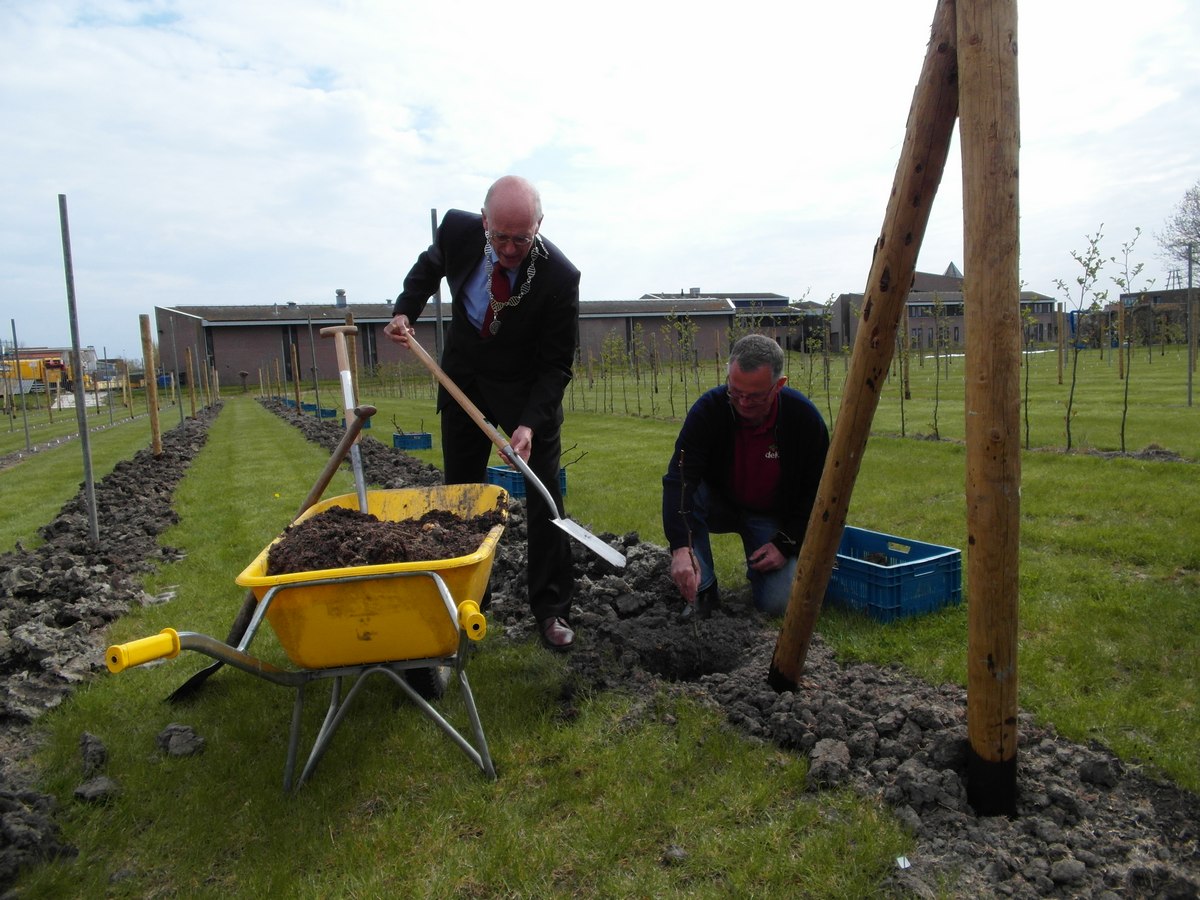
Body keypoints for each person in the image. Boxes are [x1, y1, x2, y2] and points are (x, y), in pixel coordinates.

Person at [384, 176, 581, 651]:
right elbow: (428, 269)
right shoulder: (456, 230)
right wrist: (405, 310)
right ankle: (468, 602)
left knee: (544, 497)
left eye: (522, 238)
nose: (510, 248)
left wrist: (530, 424)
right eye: (500, 237)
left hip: (525, 387)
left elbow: (556, 365)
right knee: (463, 493)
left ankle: (551, 608)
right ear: (484, 222)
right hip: (465, 376)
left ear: (539, 226)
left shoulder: (560, 276)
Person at [662, 334, 830, 618]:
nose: (742, 402)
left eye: (754, 396)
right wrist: (680, 547)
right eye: (735, 391)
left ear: (779, 385)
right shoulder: (709, 410)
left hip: (769, 515)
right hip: (718, 503)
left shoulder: (804, 420)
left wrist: (786, 542)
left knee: (780, 603)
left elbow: (818, 493)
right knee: (693, 490)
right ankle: (703, 588)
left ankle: (761, 570)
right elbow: (679, 480)